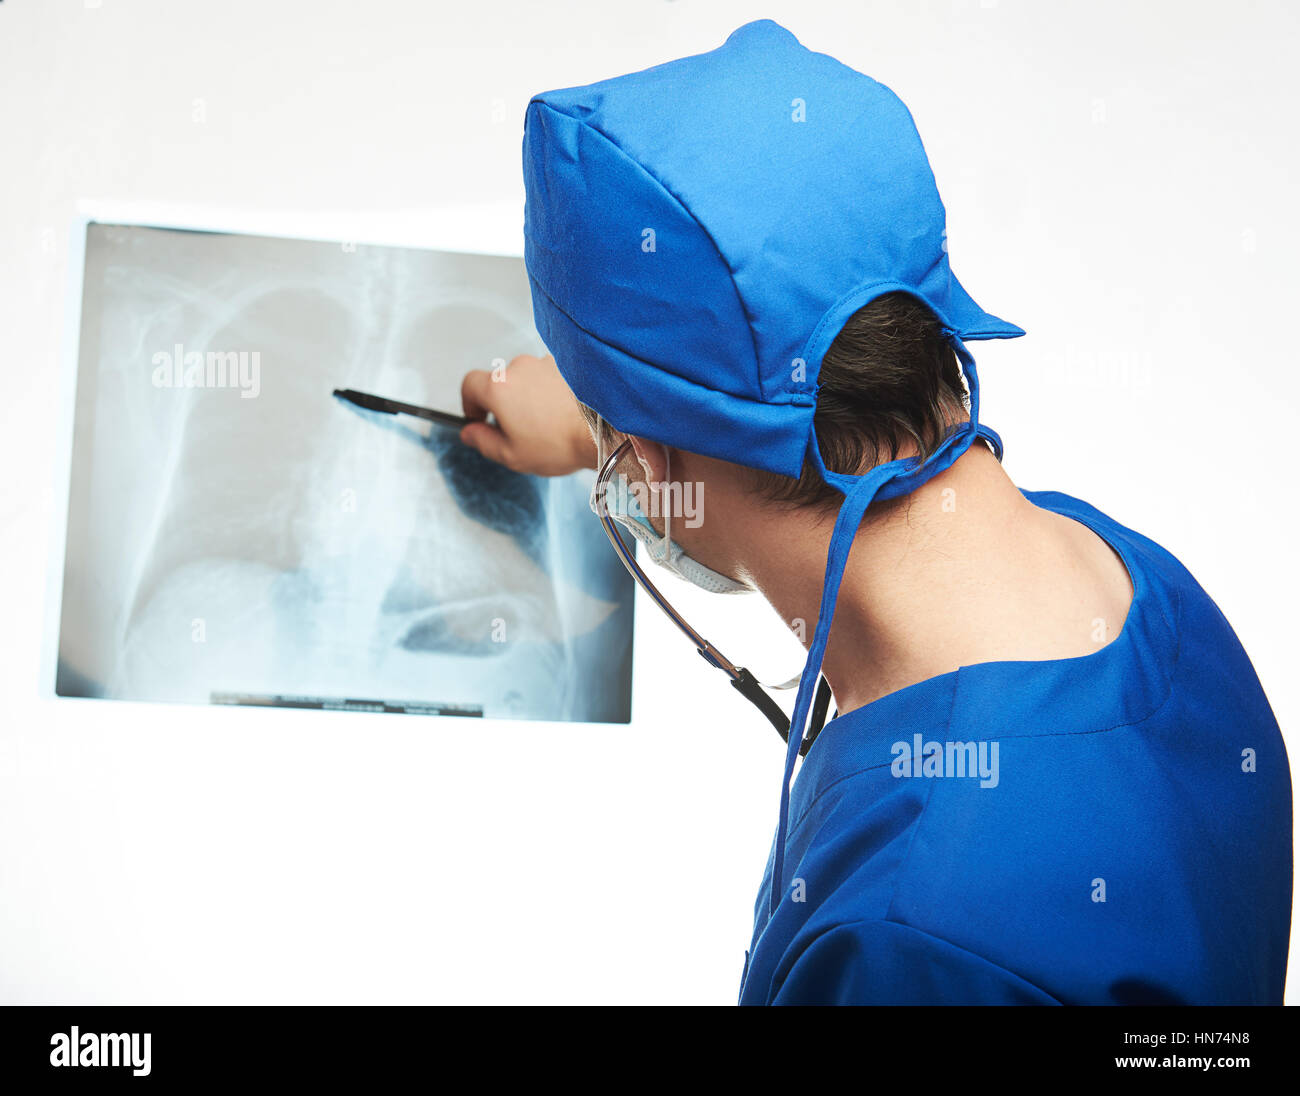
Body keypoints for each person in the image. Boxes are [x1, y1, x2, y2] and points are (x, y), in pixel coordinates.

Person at [459, 20, 1291, 1004]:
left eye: (611, 434)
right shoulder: (1142, 589)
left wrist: (638, 411)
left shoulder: (910, 942)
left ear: (647, 453)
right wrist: (622, 407)